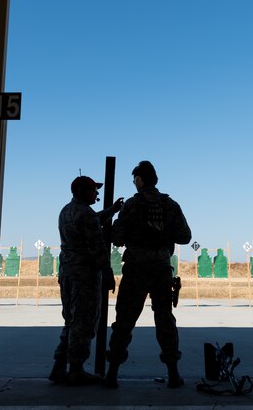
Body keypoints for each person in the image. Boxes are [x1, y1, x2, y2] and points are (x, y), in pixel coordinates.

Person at [105, 161, 192, 389]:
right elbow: (185, 236)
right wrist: (164, 232)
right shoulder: (170, 205)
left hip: (136, 268)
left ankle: (112, 373)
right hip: (161, 268)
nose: (134, 183)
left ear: (141, 180)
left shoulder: (132, 205)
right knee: (164, 318)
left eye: (135, 179)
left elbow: (117, 238)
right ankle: (173, 374)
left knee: (124, 319)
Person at [49, 175, 123, 386]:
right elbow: (97, 248)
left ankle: (59, 365)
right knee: (84, 322)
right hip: (84, 277)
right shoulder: (86, 214)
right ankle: (76, 370)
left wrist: (111, 210)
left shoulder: (66, 211)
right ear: (83, 192)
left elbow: (92, 221)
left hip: (67, 274)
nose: (96, 193)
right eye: (93, 190)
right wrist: (108, 273)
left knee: (71, 321)